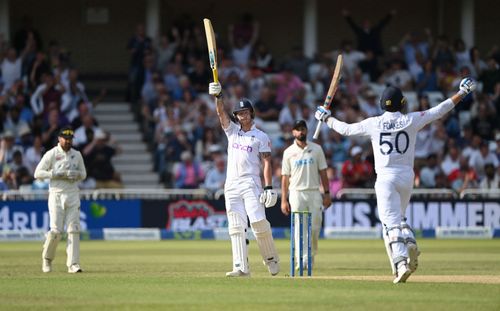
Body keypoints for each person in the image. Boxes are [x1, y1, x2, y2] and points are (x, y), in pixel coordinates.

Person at [315, 77, 477, 283]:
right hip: (407, 176)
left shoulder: (373, 123)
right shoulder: (411, 119)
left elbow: (347, 129)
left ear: (382, 104)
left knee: (389, 223)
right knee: (399, 218)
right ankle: (409, 240)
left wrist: (326, 118)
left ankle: (401, 264)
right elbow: (439, 110)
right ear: (402, 103)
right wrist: (462, 92)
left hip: (385, 177)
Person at [208, 81, 280, 277]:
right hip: (231, 184)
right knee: (236, 227)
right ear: (237, 116)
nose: (243, 116)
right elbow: (220, 114)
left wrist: (268, 187)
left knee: (258, 222)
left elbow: (266, 162)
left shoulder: (260, 136)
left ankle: (271, 259)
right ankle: (241, 267)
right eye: (240, 113)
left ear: (251, 113)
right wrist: (218, 97)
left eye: (246, 112)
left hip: (251, 184)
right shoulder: (232, 132)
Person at [34, 126, 87, 273]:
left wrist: (75, 174)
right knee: (56, 231)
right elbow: (37, 173)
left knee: (74, 229)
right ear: (59, 139)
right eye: (66, 139)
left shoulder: (77, 155)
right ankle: (47, 259)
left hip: (73, 194)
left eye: (70, 139)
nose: (68, 142)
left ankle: (73, 264)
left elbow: (83, 174)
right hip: (56, 194)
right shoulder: (51, 154)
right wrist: (56, 173)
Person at [280, 120, 331, 270]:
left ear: (307, 131)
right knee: (299, 228)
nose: (300, 132)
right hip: (296, 193)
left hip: (314, 192)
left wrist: (327, 194)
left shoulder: (316, 149)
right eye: (297, 130)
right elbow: (284, 177)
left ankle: (310, 255)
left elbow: (323, 172)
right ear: (293, 133)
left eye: (302, 129)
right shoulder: (288, 152)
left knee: (315, 228)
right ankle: (300, 259)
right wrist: (283, 200)